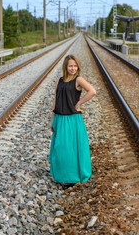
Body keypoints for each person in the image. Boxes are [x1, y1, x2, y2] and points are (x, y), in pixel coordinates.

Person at [48, 54, 96, 189]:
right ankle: (61, 175)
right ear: (66, 66)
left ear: (77, 67)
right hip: (60, 117)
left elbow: (92, 91)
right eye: (70, 66)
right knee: (60, 148)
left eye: (75, 66)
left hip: (72, 119)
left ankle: (71, 178)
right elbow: (55, 100)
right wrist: (52, 120)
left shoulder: (78, 79)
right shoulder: (60, 80)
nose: (73, 68)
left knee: (70, 149)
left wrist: (78, 103)